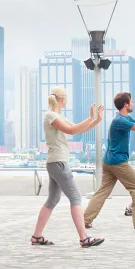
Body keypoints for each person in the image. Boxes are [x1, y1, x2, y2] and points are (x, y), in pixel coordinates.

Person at [30, 87, 105, 248]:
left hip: (55, 162)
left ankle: (36, 236)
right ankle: (84, 238)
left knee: (53, 199)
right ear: (63, 100)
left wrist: (95, 120)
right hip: (58, 162)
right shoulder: (51, 116)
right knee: (75, 198)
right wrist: (91, 117)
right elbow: (71, 130)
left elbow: (76, 130)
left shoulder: (57, 116)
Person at [83, 92, 135, 230]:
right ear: (126, 104)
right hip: (118, 162)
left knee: (102, 191)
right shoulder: (119, 121)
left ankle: (85, 220)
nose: (133, 103)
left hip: (109, 161)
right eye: (132, 101)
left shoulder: (124, 118)